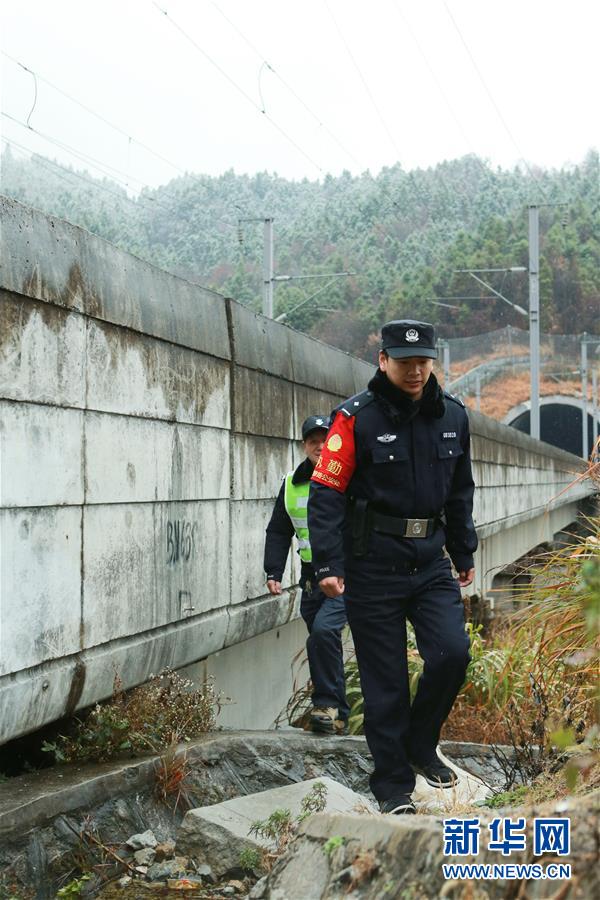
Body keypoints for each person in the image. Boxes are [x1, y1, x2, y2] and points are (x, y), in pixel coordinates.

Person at [308, 320, 477, 814]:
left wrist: (463, 551)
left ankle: (421, 744)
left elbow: (460, 490)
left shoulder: (452, 415)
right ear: (383, 361)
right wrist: (328, 563)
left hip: (429, 561)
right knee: (386, 683)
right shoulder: (354, 419)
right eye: (404, 362)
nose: (415, 370)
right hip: (372, 565)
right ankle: (393, 788)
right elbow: (326, 493)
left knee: (451, 654)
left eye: (423, 361)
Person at [264, 415, 350, 735]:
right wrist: (273, 570)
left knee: (324, 633)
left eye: (325, 440)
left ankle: (325, 704)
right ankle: (338, 714)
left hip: (343, 575)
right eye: (313, 441)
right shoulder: (291, 483)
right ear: (304, 446)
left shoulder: (348, 476)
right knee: (323, 642)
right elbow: (279, 529)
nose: (320, 446)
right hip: (311, 579)